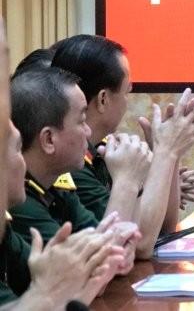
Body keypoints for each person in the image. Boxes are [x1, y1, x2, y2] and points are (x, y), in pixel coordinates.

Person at [49, 35, 194, 258]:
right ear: (104, 99)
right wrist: (166, 151)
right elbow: (142, 243)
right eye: (127, 91)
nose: (128, 101)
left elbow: (163, 227)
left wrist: (170, 154)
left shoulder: (103, 149)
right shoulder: (71, 163)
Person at [0, 121, 125, 308]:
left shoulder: (6, 232)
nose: (23, 162)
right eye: (18, 149)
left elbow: (67, 291)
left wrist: (105, 256)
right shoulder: (22, 207)